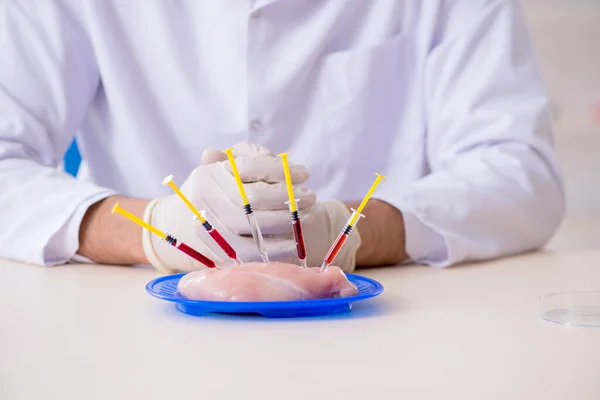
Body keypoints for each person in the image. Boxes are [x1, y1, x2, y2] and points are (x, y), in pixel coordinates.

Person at [0, 0, 565, 273]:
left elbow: (520, 169)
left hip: (389, 323)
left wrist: (353, 232)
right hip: (124, 324)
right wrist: (154, 232)